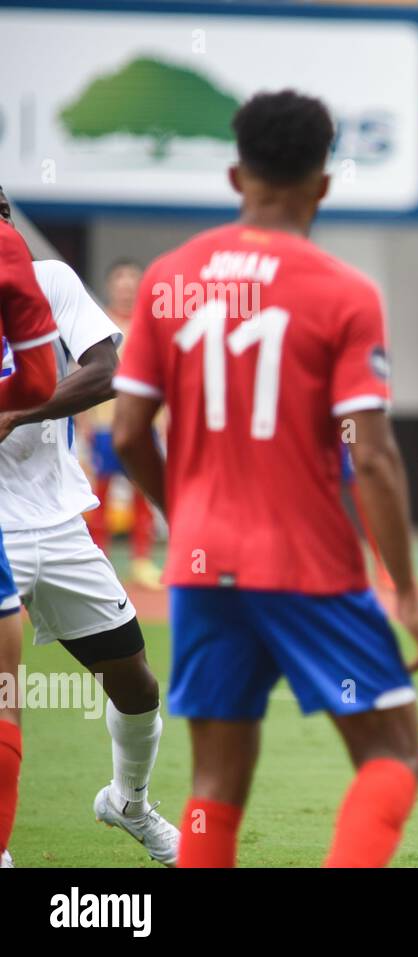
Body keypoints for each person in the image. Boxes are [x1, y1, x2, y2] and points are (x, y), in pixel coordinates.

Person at [111, 90, 418, 868]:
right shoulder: (344, 292)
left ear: (235, 174)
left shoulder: (169, 279)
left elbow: (126, 434)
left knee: (216, 781)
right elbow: (377, 453)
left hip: (201, 564)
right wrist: (406, 592)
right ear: (323, 184)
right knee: (393, 751)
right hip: (307, 563)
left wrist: (186, 512)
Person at [0, 188, 177, 866]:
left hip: (59, 520)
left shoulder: (49, 282)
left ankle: (128, 801)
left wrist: (17, 413)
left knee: (135, 681)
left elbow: (108, 370)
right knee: (6, 689)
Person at [0, 197, 59, 868]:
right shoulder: (10, 247)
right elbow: (41, 379)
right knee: (5, 688)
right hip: (11, 516)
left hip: (51, 513)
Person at [83, 258, 162, 589]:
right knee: (99, 495)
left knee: (144, 492)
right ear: (111, 286)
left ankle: (141, 561)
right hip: (105, 425)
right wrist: (84, 426)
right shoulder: (96, 324)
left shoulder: (151, 325)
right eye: (121, 282)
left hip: (145, 424)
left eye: (132, 282)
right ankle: (99, 559)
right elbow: (81, 375)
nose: (126, 288)